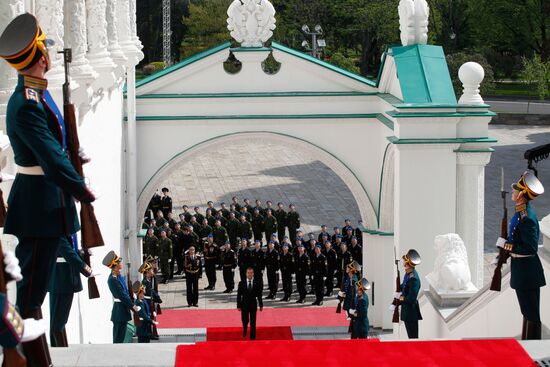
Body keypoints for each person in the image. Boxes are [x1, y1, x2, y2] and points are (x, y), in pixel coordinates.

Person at [0, 13, 97, 365]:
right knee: (29, 295)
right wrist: (82, 190)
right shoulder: (27, 103)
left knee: (32, 292)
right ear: (41, 56)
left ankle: (34, 360)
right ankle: (23, 359)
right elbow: (51, 159)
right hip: (40, 206)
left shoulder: (35, 92)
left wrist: (75, 150)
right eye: (46, 51)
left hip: (46, 201)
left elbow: (57, 141)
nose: (49, 56)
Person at [496, 171, 545, 340]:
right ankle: (528, 343)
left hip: (528, 273)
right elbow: (514, 238)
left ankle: (533, 348)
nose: (514, 192)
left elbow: (530, 248)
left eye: (517, 190)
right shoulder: (519, 214)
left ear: (522, 195)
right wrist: (504, 255)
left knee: (531, 313)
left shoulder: (527, 218)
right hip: (521, 271)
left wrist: (506, 245)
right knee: (526, 310)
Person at [49, 234, 93, 347]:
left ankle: (61, 348)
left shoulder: (68, 229)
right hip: (60, 278)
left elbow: (72, 249)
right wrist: (85, 268)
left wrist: (82, 253)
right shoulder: (58, 228)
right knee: (57, 322)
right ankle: (58, 350)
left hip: (68, 277)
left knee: (61, 320)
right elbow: (67, 251)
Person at [103, 251, 139, 343]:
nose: (121, 264)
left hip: (122, 310)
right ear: (115, 265)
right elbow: (122, 295)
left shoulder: (119, 277)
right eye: (119, 262)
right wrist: (132, 306)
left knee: (121, 337)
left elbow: (126, 292)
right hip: (119, 311)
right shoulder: (112, 280)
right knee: (118, 338)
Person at [399, 249, 422, 339]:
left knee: (413, 337)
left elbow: (411, 298)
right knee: (410, 336)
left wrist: (401, 298)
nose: (404, 262)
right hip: (407, 311)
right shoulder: (408, 274)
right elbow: (405, 286)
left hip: (411, 312)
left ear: (408, 263)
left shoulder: (413, 278)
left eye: (405, 261)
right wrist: (399, 289)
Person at [237, 267, 263, 340]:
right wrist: (238, 305)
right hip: (244, 305)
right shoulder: (241, 283)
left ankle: (252, 337)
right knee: (245, 320)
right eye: (248, 273)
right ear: (246, 273)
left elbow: (259, 295)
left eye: (251, 273)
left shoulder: (257, 283)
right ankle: (245, 328)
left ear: (253, 274)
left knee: (253, 322)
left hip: (253, 305)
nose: (250, 274)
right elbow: (239, 295)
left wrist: (261, 305)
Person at [140, 261, 162, 341]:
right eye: (151, 270)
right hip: (148, 302)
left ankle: (152, 332)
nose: (152, 271)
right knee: (150, 317)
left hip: (151, 301)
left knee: (153, 316)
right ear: (147, 272)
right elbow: (151, 291)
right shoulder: (145, 282)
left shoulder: (149, 279)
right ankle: (150, 333)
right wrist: (158, 299)